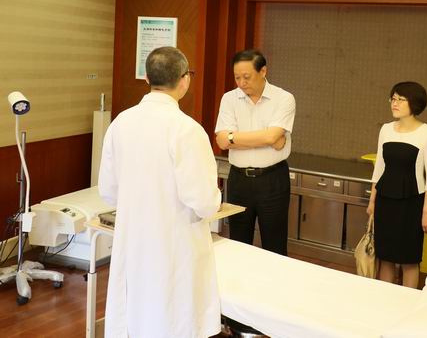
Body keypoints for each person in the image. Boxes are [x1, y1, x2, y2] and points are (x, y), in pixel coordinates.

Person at [98, 46, 222, 338]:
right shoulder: (187, 129)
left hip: (134, 237)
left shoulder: (121, 123)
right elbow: (204, 201)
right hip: (174, 241)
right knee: (172, 315)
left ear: (147, 79)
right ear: (184, 80)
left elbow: (108, 191)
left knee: (137, 313)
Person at [215, 49, 295, 255]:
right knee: (238, 244)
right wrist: (267, 138)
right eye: (237, 77)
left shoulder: (283, 98)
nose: (241, 83)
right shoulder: (229, 99)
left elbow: (272, 137)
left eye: (247, 77)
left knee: (275, 245)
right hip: (239, 180)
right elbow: (222, 141)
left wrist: (234, 138)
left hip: (272, 179)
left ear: (263, 71)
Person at [367, 81, 427, 288]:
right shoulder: (386, 129)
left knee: (409, 259)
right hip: (385, 200)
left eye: (401, 99)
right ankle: (385, 299)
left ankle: (409, 302)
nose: (395, 103)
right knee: (386, 257)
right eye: (393, 98)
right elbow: (379, 168)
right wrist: (372, 202)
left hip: (411, 203)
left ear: (414, 103)